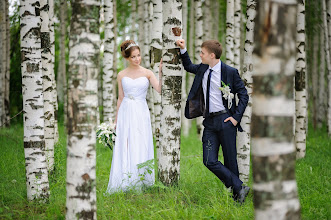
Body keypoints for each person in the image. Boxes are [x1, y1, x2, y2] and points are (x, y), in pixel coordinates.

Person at [176, 39, 250, 204]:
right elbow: (188, 66)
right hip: (209, 122)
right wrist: (183, 49)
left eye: (202, 53)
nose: (200, 55)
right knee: (209, 160)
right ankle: (240, 186)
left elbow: (244, 95)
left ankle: (238, 198)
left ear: (212, 55)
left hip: (226, 120)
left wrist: (236, 118)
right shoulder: (203, 68)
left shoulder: (230, 72)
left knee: (230, 160)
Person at [106, 40, 162, 193]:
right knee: (126, 143)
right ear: (127, 58)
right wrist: (116, 120)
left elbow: (159, 89)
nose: (137, 59)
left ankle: (141, 179)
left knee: (140, 141)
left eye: (138, 56)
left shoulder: (147, 73)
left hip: (141, 111)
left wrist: (161, 72)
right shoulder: (121, 75)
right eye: (133, 57)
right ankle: (125, 180)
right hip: (126, 111)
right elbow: (120, 97)